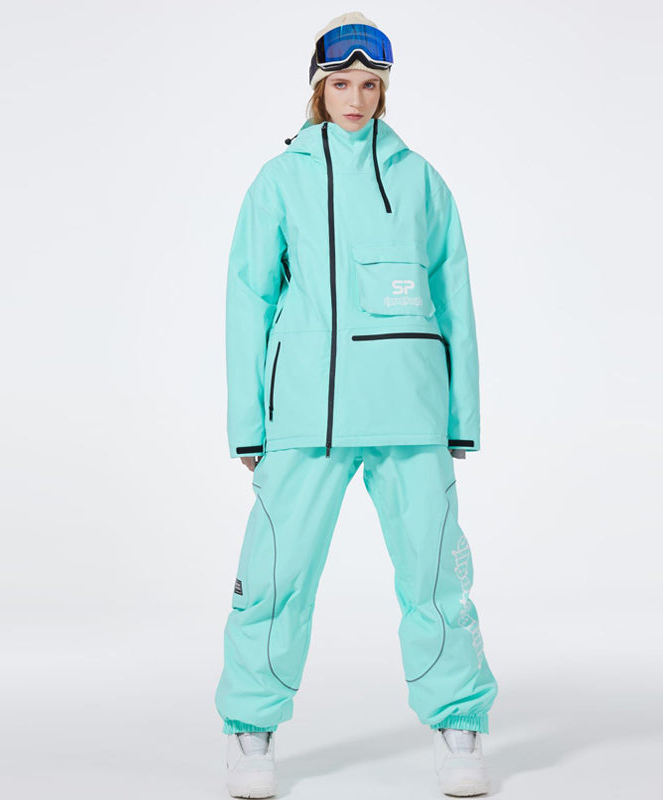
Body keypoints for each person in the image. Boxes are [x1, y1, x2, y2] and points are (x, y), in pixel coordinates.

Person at [214, 11, 498, 798]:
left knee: (436, 579)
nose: (356, 98)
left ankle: (459, 718)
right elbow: (248, 300)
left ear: (383, 90)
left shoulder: (421, 179)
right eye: (342, 83)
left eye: (370, 85)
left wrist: (461, 417)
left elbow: (454, 295)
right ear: (319, 88)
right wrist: (248, 425)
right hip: (307, 417)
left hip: (411, 410)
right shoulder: (280, 180)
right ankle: (250, 726)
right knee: (274, 579)